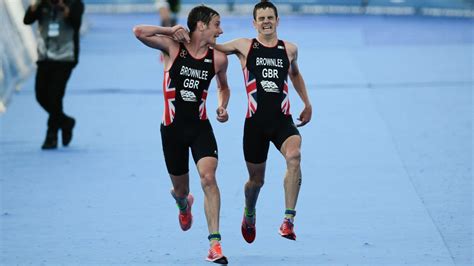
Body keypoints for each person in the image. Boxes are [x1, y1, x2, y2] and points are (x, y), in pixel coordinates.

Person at [133, 5, 230, 264]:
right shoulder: (173, 49)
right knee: (180, 189)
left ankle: (215, 244)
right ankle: (183, 203)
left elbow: (224, 88)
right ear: (201, 25)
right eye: (216, 25)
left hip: (200, 129)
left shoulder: (218, 59)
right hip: (172, 131)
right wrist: (169, 29)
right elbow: (138, 31)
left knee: (208, 178)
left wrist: (223, 106)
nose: (220, 31)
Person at [215, 0, 312, 243]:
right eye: (262, 18)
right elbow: (211, 48)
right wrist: (187, 35)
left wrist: (307, 103)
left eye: (270, 17)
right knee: (256, 182)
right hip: (255, 125)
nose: (266, 22)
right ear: (254, 23)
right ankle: (249, 212)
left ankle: (288, 220)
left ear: (277, 21)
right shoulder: (244, 46)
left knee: (294, 156)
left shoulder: (289, 49)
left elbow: (296, 74)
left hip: (282, 122)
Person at [23, 0, 84, 149]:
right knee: (41, 96)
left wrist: (64, 8)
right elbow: (27, 20)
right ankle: (66, 122)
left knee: (55, 96)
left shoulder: (75, 3)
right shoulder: (42, 4)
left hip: (65, 58)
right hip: (45, 57)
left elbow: (76, 24)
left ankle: (51, 135)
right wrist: (34, 5)